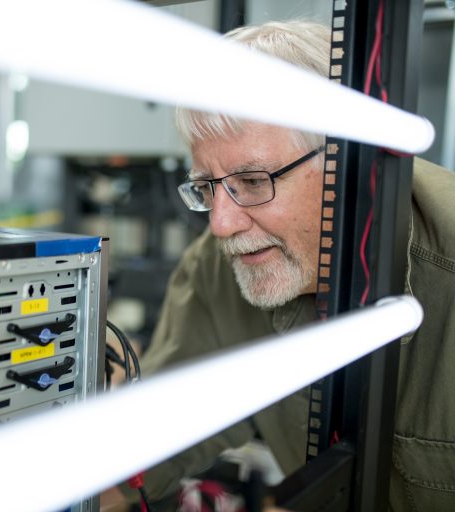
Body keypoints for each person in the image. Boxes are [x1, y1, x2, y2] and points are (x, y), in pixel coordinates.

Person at [101, 19, 455, 512]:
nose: (222, 224)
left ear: (346, 161)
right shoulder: (222, 264)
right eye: (207, 187)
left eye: (252, 180)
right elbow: (144, 451)